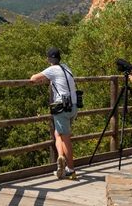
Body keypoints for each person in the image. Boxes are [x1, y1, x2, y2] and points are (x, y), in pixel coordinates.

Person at [30, 47, 78, 179]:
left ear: (49, 59)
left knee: (66, 138)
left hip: (62, 107)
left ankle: (71, 170)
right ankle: (61, 157)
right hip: (73, 106)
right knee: (58, 134)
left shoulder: (52, 69)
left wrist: (45, 79)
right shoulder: (66, 67)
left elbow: (33, 78)